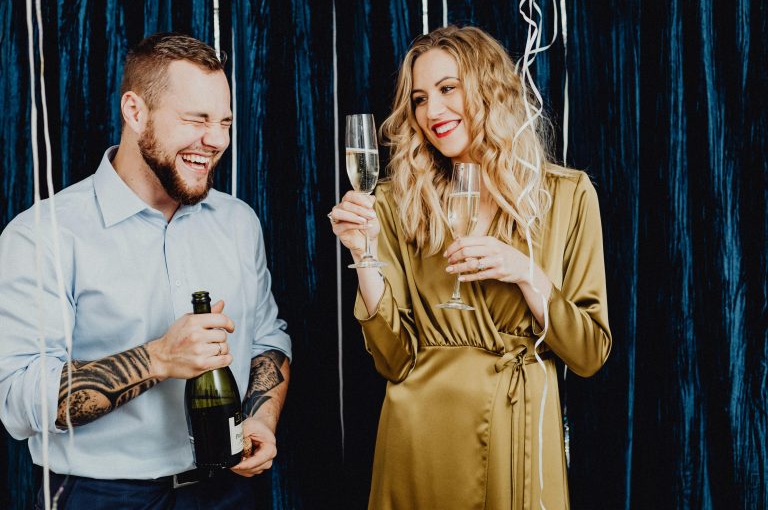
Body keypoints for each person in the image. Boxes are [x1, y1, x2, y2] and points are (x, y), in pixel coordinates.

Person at [0, 33, 291, 509]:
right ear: (135, 113)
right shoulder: (43, 234)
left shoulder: (239, 222)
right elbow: (17, 398)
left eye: (224, 122)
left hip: (230, 490)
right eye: (196, 119)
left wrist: (260, 419)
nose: (216, 140)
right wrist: (158, 358)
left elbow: (266, 341)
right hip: (100, 495)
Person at [328, 25, 611, 509]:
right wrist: (362, 253)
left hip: (519, 426)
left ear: (490, 88)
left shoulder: (568, 194)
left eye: (447, 89)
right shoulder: (395, 202)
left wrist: (526, 272)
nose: (431, 112)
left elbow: (589, 353)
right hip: (420, 436)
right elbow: (393, 359)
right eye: (418, 98)